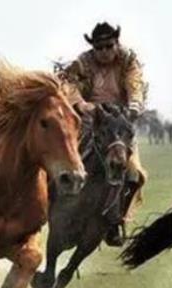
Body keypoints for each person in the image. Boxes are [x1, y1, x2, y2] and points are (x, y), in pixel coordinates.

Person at [60, 22, 148, 246]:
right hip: (90, 120)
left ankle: (116, 221)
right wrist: (81, 104)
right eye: (99, 47)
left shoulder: (128, 60)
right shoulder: (83, 62)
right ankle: (54, 208)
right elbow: (68, 85)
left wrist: (135, 105)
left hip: (120, 123)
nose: (105, 52)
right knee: (63, 163)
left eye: (109, 46)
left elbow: (135, 84)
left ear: (116, 43)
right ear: (93, 47)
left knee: (134, 175)